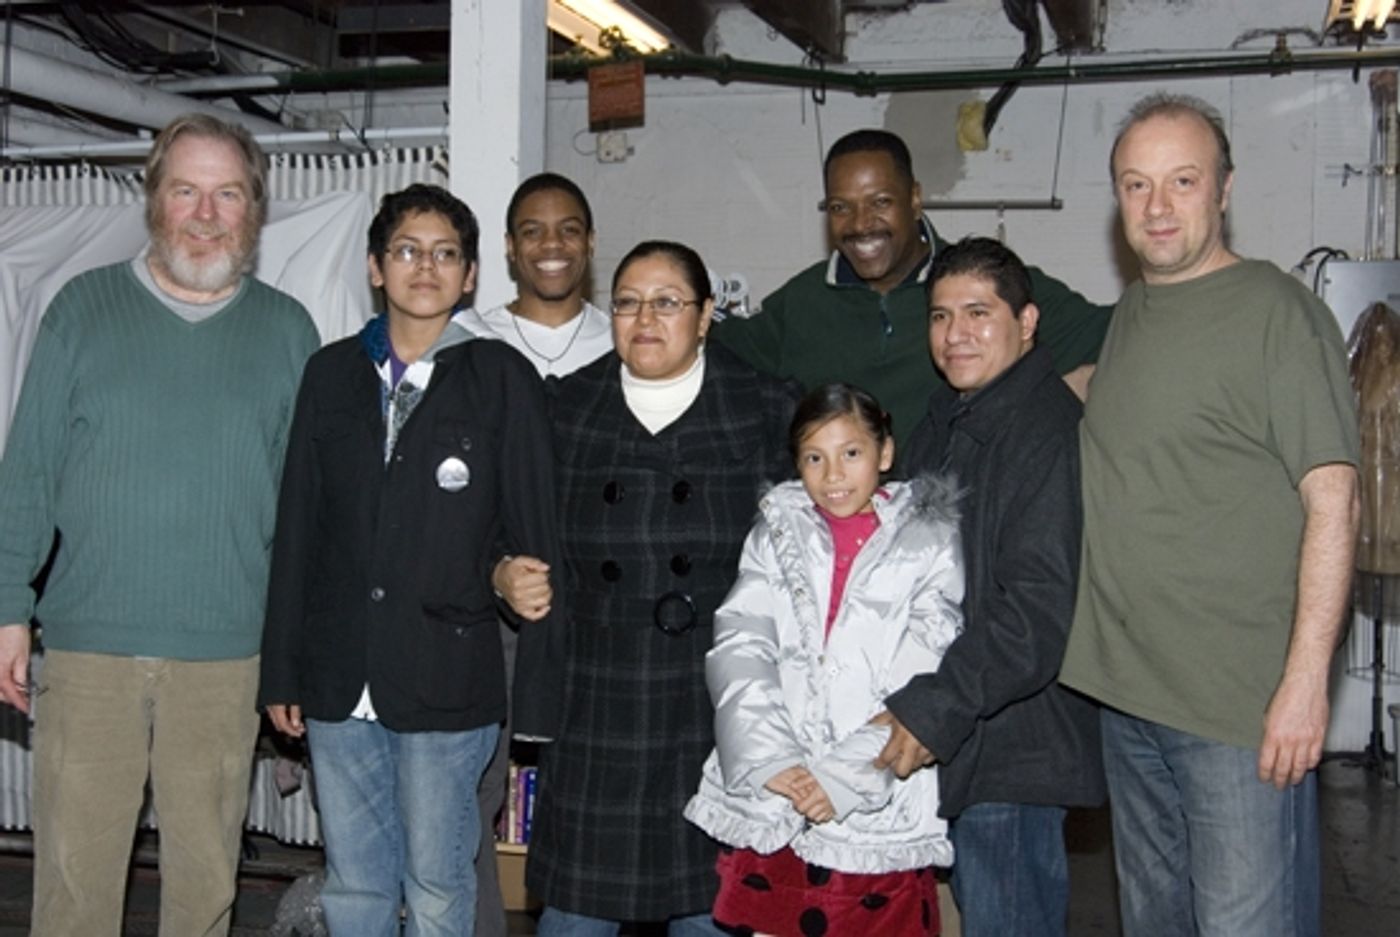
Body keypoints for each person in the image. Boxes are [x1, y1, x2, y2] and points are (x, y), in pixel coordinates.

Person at [0, 113, 320, 935]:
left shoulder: (288, 332)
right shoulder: (82, 308)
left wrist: (294, 652)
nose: (205, 214)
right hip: (87, 653)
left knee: (206, 882)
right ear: (154, 201)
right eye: (186, 191)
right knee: (73, 885)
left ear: (254, 209)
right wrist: (6, 604)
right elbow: (28, 469)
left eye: (227, 194)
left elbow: (305, 514)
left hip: (225, 657)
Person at [1060, 93, 1360, 937]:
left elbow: (1333, 501)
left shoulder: (1277, 312)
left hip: (1238, 710)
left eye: (1182, 180)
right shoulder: (1131, 320)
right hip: (1128, 697)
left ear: (1223, 189)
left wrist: (1306, 685)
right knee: (1158, 923)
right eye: (1136, 184)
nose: (1158, 206)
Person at [258, 183, 565, 935]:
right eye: (405, 250)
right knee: (355, 886)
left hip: (447, 679)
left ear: (469, 276)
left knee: (436, 884)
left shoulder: (500, 378)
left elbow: (533, 543)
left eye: (444, 253)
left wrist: (539, 697)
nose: (424, 266)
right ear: (374, 267)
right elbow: (298, 527)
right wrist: (282, 669)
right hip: (338, 680)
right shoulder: (329, 375)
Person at [496, 240, 799, 934]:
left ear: (706, 315)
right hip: (599, 696)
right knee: (575, 915)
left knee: (712, 908)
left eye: (668, 302)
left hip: (720, 700)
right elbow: (504, 518)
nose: (645, 319)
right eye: (628, 302)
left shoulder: (765, 405)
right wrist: (503, 571)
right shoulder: (566, 407)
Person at [877, 237, 1104, 937]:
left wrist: (933, 709)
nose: (956, 334)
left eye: (979, 312)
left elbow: (1036, 612)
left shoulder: (1041, 431)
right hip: (967, 727)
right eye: (941, 316)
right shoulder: (950, 417)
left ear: (1027, 321)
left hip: (1013, 745)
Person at [684, 382, 962, 936]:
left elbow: (925, 669)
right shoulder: (775, 533)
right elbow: (742, 641)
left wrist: (843, 777)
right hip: (780, 797)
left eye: (851, 454)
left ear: (884, 453)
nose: (833, 476)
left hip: (873, 800)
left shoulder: (929, 543)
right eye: (814, 458)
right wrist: (770, 761)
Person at [712, 128, 1111, 444]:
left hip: (958, 529)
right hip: (841, 537)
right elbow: (707, 350)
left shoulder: (987, 284)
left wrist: (1060, 400)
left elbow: (1127, 332)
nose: (860, 223)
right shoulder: (802, 301)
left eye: (880, 201)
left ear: (915, 199)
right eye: (840, 207)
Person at [457, 172, 613, 937]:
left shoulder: (625, 339)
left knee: (598, 790)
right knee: (474, 791)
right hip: (495, 614)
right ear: (509, 249)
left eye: (569, 228)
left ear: (588, 242)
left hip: (600, 611)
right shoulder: (470, 344)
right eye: (532, 230)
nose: (551, 244)